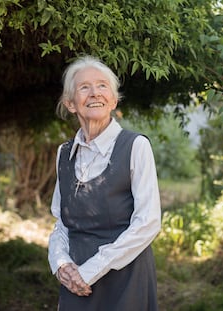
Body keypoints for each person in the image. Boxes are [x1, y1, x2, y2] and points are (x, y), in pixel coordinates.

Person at [48, 55, 161, 311]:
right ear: (71, 103)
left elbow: (148, 223)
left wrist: (90, 270)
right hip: (76, 281)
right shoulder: (63, 154)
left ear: (113, 99)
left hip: (125, 280)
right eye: (84, 87)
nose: (94, 93)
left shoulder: (136, 146)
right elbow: (61, 223)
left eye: (102, 86)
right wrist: (61, 264)